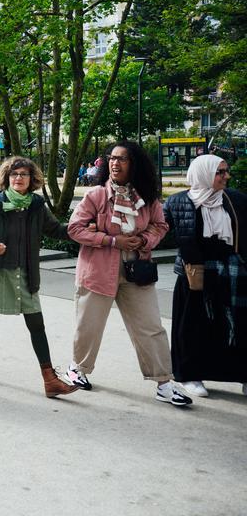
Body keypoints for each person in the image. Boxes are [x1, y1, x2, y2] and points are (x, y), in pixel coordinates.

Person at [66, 142, 192, 406]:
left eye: (122, 159)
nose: (115, 163)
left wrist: (145, 240)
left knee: (150, 327)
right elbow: (75, 229)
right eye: (112, 158)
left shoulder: (147, 198)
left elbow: (160, 225)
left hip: (137, 272)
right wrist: (112, 241)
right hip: (98, 271)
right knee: (89, 325)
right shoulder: (96, 196)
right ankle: (77, 368)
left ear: (134, 164)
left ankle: (163, 382)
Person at [0, 156, 78, 397]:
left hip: (26, 273)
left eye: (24, 174)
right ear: (7, 178)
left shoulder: (36, 206)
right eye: (14, 174)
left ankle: (50, 380)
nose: (19, 178)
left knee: (36, 324)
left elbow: (56, 230)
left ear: (32, 179)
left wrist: (83, 230)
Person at [164, 154, 247, 398]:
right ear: (204, 173)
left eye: (226, 171)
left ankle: (242, 375)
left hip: (231, 271)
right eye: (220, 172)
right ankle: (189, 375)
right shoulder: (178, 202)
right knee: (192, 324)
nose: (226, 176)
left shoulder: (236, 199)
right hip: (194, 273)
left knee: (237, 323)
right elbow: (159, 230)